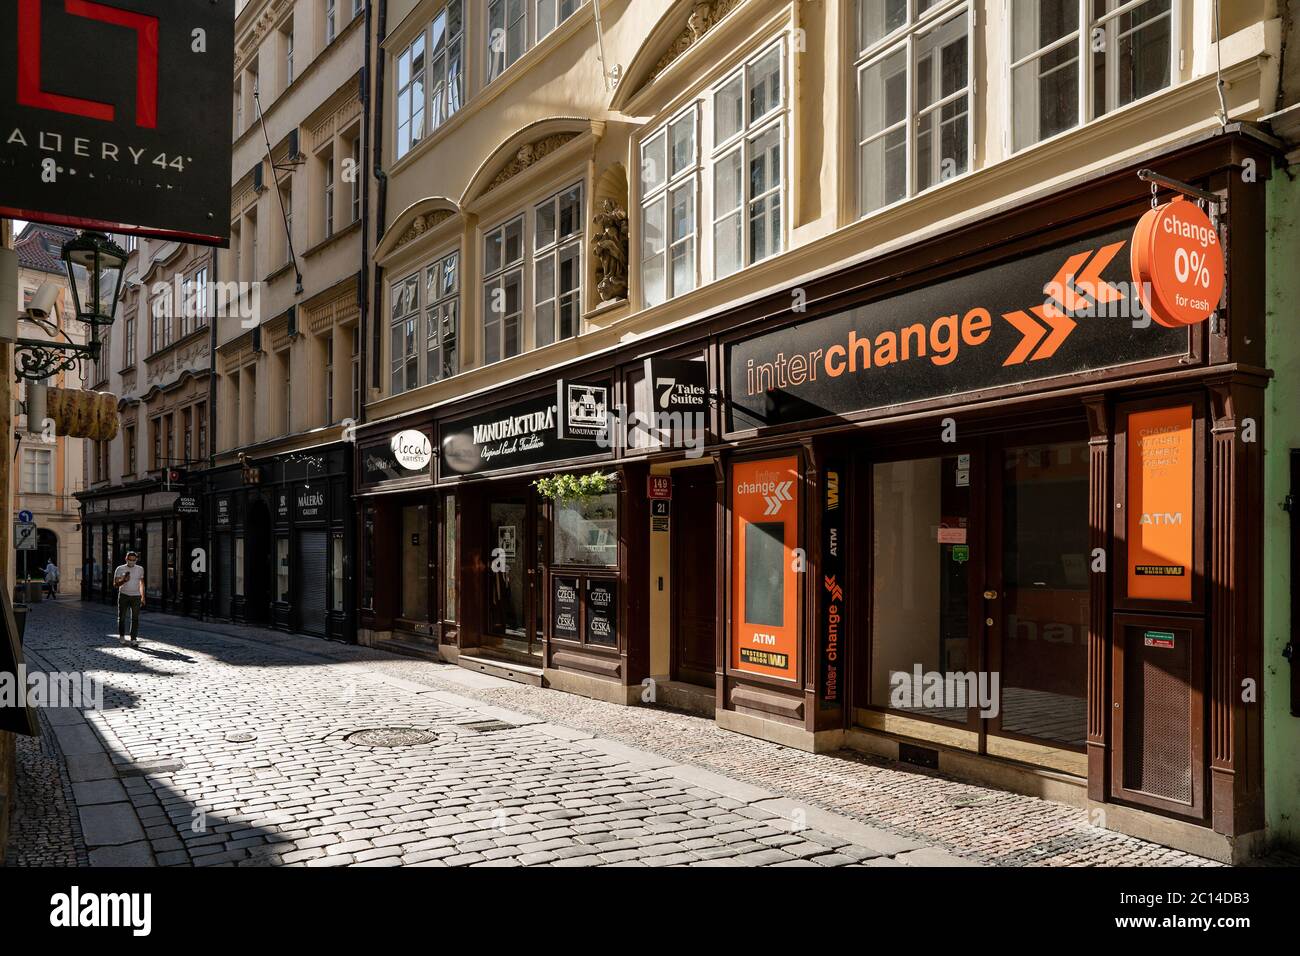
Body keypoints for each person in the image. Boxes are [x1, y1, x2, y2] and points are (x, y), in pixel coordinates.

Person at [113, 551, 146, 644]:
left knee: (135, 618)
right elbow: (115, 585)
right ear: (126, 559)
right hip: (124, 595)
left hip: (136, 596)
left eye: (133, 560)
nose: (131, 561)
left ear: (136, 560)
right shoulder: (120, 569)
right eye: (129, 559)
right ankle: (122, 636)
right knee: (122, 617)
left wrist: (143, 597)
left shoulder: (140, 569)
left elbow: (141, 583)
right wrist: (123, 580)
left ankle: (133, 639)